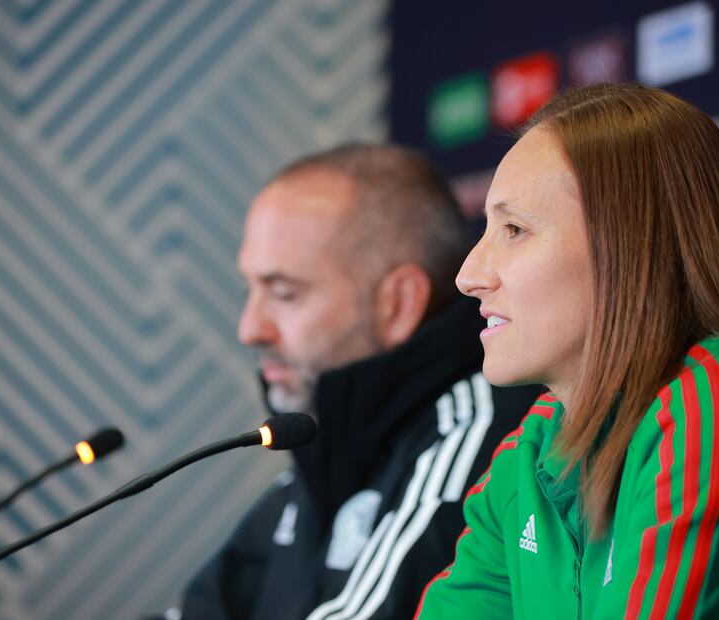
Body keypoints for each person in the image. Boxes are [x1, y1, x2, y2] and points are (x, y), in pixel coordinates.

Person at [414, 83, 719, 619]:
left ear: (628, 247)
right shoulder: (527, 452)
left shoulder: (714, 412)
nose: (469, 276)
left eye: (514, 229)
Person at [180, 144, 542, 619]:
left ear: (398, 303)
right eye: (250, 290)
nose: (249, 329)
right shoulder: (325, 444)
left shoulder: (481, 435)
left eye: (284, 293)